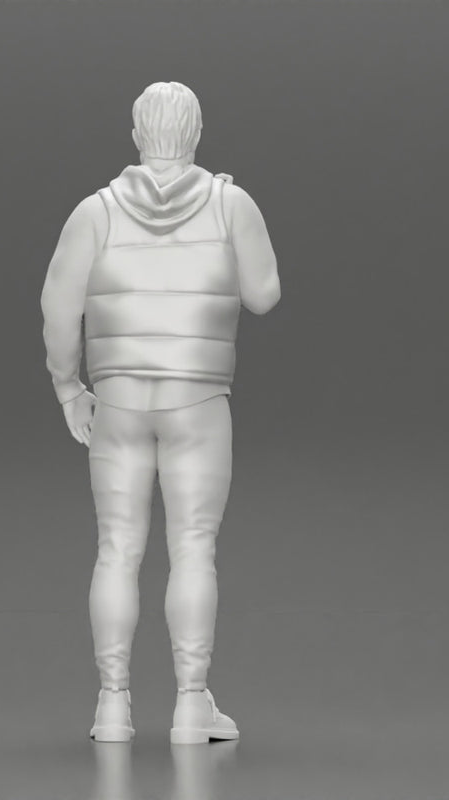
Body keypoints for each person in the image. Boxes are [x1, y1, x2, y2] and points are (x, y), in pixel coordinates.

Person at [41, 81, 280, 743]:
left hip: (117, 400)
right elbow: (264, 293)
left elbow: (58, 305)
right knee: (194, 548)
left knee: (116, 550)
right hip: (198, 400)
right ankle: (191, 703)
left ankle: (112, 705)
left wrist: (68, 387)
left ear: (137, 136)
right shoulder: (231, 204)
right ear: (196, 135)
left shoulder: (95, 212)